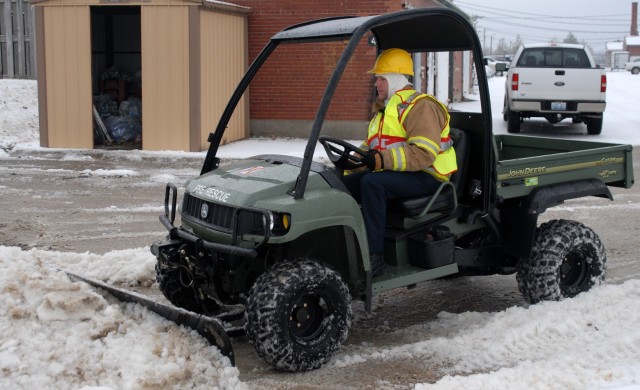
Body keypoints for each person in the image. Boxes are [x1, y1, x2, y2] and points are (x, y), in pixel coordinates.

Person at [343, 48, 457, 276]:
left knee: (373, 184)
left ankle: (373, 257)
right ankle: (345, 245)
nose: (376, 83)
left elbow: (424, 153)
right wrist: (350, 164)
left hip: (429, 175)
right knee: (342, 184)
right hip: (404, 172)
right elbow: (371, 147)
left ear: (395, 79)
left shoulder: (421, 106)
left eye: (381, 78)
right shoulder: (386, 109)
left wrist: (380, 160)